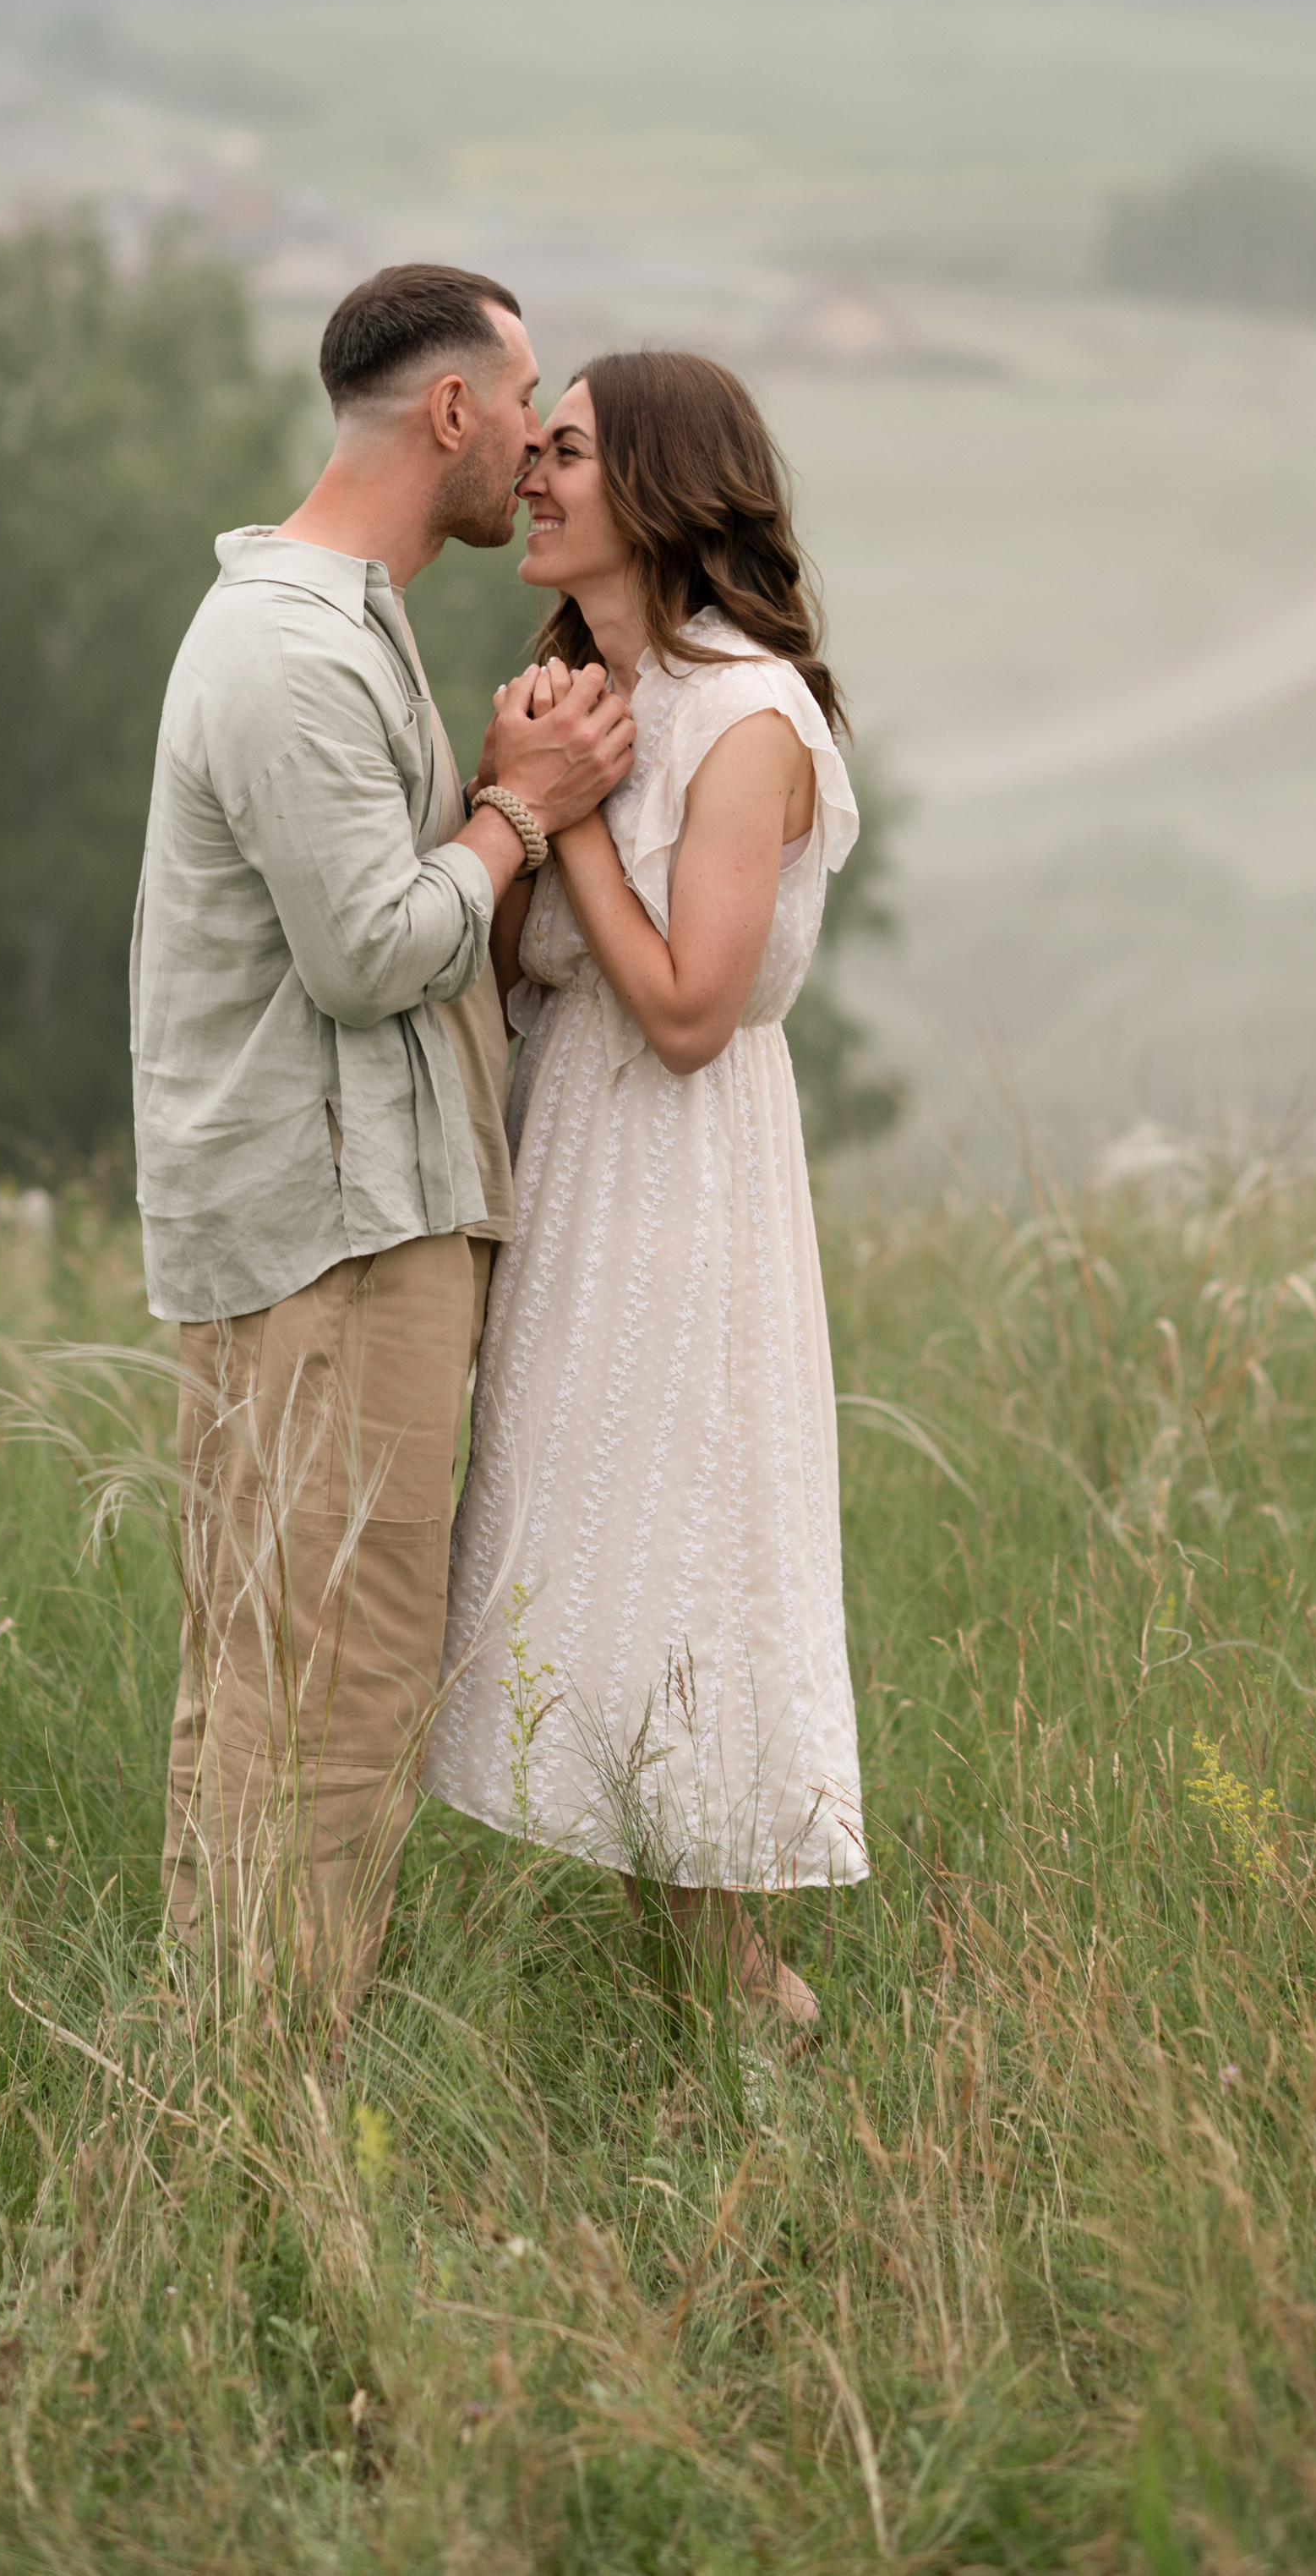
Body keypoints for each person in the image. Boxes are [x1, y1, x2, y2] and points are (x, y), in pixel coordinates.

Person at [130, 262, 635, 2021]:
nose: (536, 442)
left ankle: (233, 2059)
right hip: (327, 1239)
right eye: (524, 402)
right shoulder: (283, 647)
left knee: (283, 1663)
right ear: (448, 413)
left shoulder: (341, 618)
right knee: (329, 1680)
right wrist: (522, 809)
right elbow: (366, 953)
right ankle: (270, 2085)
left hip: (347, 1220)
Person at [423, 350, 867, 2032]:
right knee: (590, 1579)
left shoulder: (748, 719)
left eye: (564, 453)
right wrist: (521, 792)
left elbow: (687, 1008)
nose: (528, 477)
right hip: (576, 1174)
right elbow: (529, 962)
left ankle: (761, 2006)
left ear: (661, 486)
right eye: (530, 450)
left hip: (686, 1194)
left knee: (680, 1564)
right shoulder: (582, 689)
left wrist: (576, 821)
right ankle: (702, 1998)